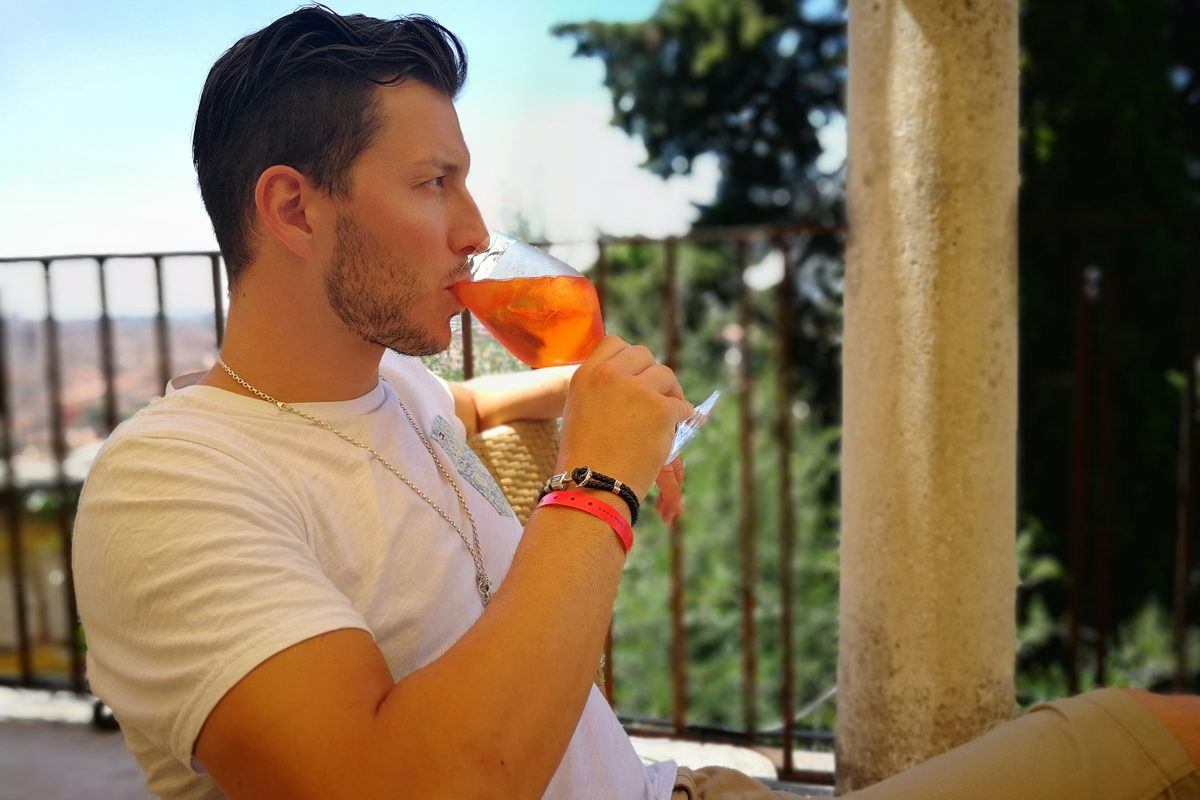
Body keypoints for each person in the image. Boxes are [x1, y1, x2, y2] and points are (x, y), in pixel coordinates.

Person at [72, 6, 1199, 800]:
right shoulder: (172, 483)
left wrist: (581, 383)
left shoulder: (392, 388)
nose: (474, 228)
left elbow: (452, 414)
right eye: (432, 183)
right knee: (1143, 741)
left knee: (1156, 728)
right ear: (294, 207)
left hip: (685, 788)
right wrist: (597, 479)